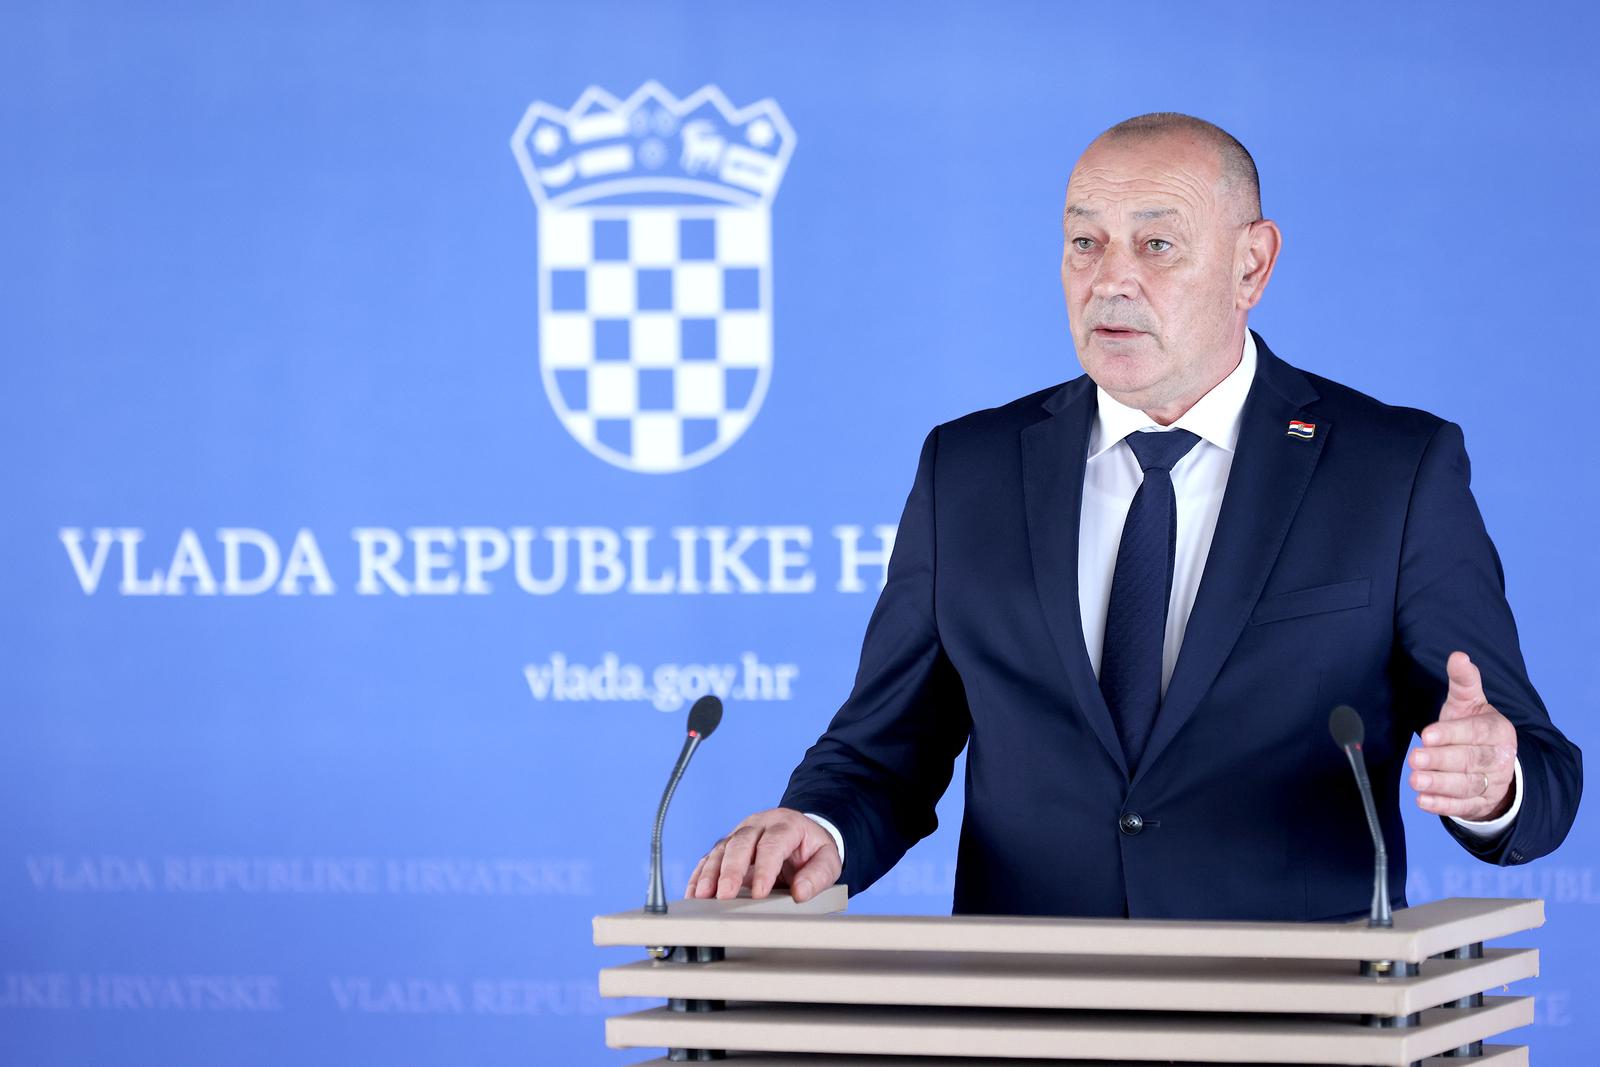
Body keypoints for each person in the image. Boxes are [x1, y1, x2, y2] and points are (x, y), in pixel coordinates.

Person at [685, 114, 1582, 920]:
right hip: (1028, 1013)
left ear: (1252, 265)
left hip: (1296, 1014)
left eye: (1157, 244)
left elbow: (1541, 772)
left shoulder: (1393, 470)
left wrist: (1494, 780)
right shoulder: (969, 469)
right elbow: (884, 749)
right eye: (1085, 242)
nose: (1111, 279)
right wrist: (816, 826)